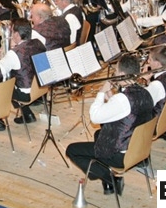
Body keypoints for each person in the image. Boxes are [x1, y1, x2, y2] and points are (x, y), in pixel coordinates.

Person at [66, 54, 154, 196]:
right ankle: (107, 182)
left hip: (121, 155)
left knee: (72, 150)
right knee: (99, 134)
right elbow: (128, 113)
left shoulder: (122, 100)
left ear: (122, 74)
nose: (114, 73)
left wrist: (101, 92)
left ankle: (110, 178)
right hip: (139, 147)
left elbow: (94, 117)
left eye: (116, 70)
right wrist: (111, 98)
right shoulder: (146, 92)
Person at [0, 18, 46, 124]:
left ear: (17, 35)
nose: (11, 34)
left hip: (25, 94)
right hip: (41, 87)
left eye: (12, 32)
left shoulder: (14, 54)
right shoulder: (38, 43)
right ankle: (27, 114)